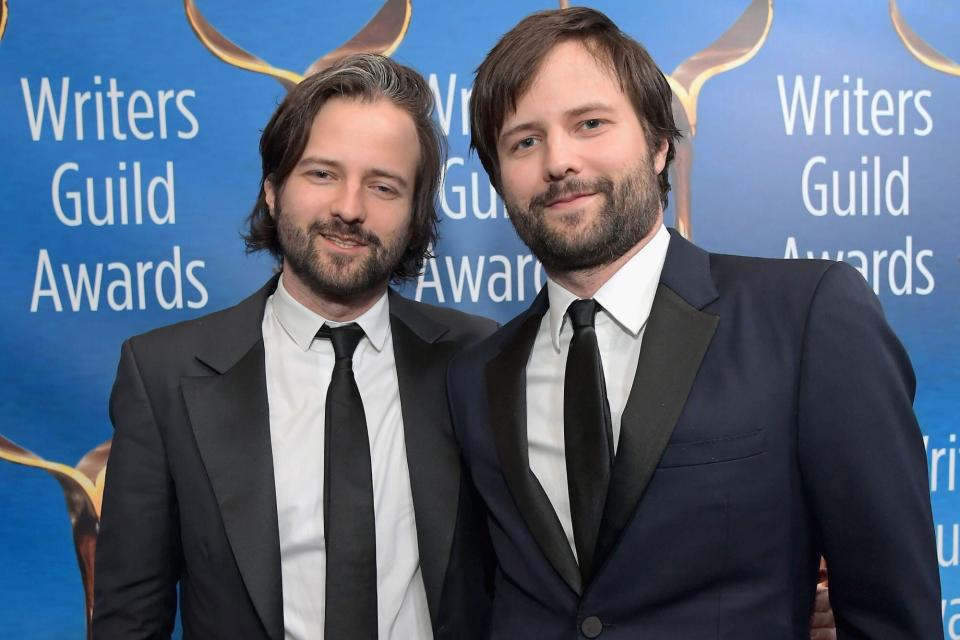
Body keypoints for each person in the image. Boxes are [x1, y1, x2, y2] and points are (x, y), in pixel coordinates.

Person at [448, 7, 941, 639]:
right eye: (524, 141)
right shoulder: (477, 377)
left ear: (658, 144)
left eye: (590, 123)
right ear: (498, 180)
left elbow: (893, 612)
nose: (559, 160)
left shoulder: (807, 319)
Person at [92, 53, 494, 640]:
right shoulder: (164, 375)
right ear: (274, 190)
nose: (349, 208)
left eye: (383, 185)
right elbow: (130, 619)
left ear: (415, 215)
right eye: (323, 173)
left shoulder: (479, 362)